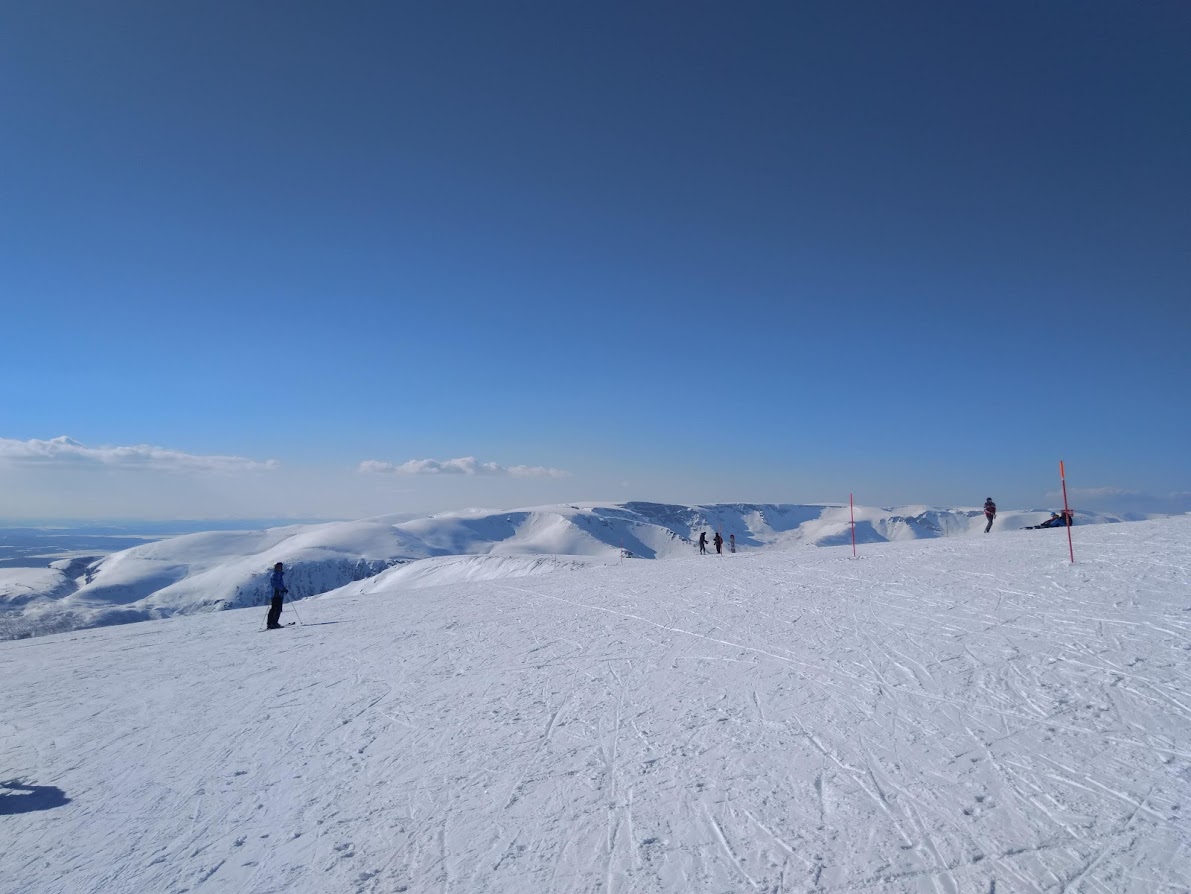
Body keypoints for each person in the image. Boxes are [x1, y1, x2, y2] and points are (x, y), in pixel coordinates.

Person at [266, 562, 288, 629]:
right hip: (276, 594)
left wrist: (283, 589)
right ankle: (273, 623)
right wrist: (282, 589)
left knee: (275, 609)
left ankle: (271, 623)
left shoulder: (278, 574)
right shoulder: (275, 574)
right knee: (276, 609)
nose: (281, 568)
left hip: (277, 593)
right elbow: (275, 584)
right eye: (280, 566)